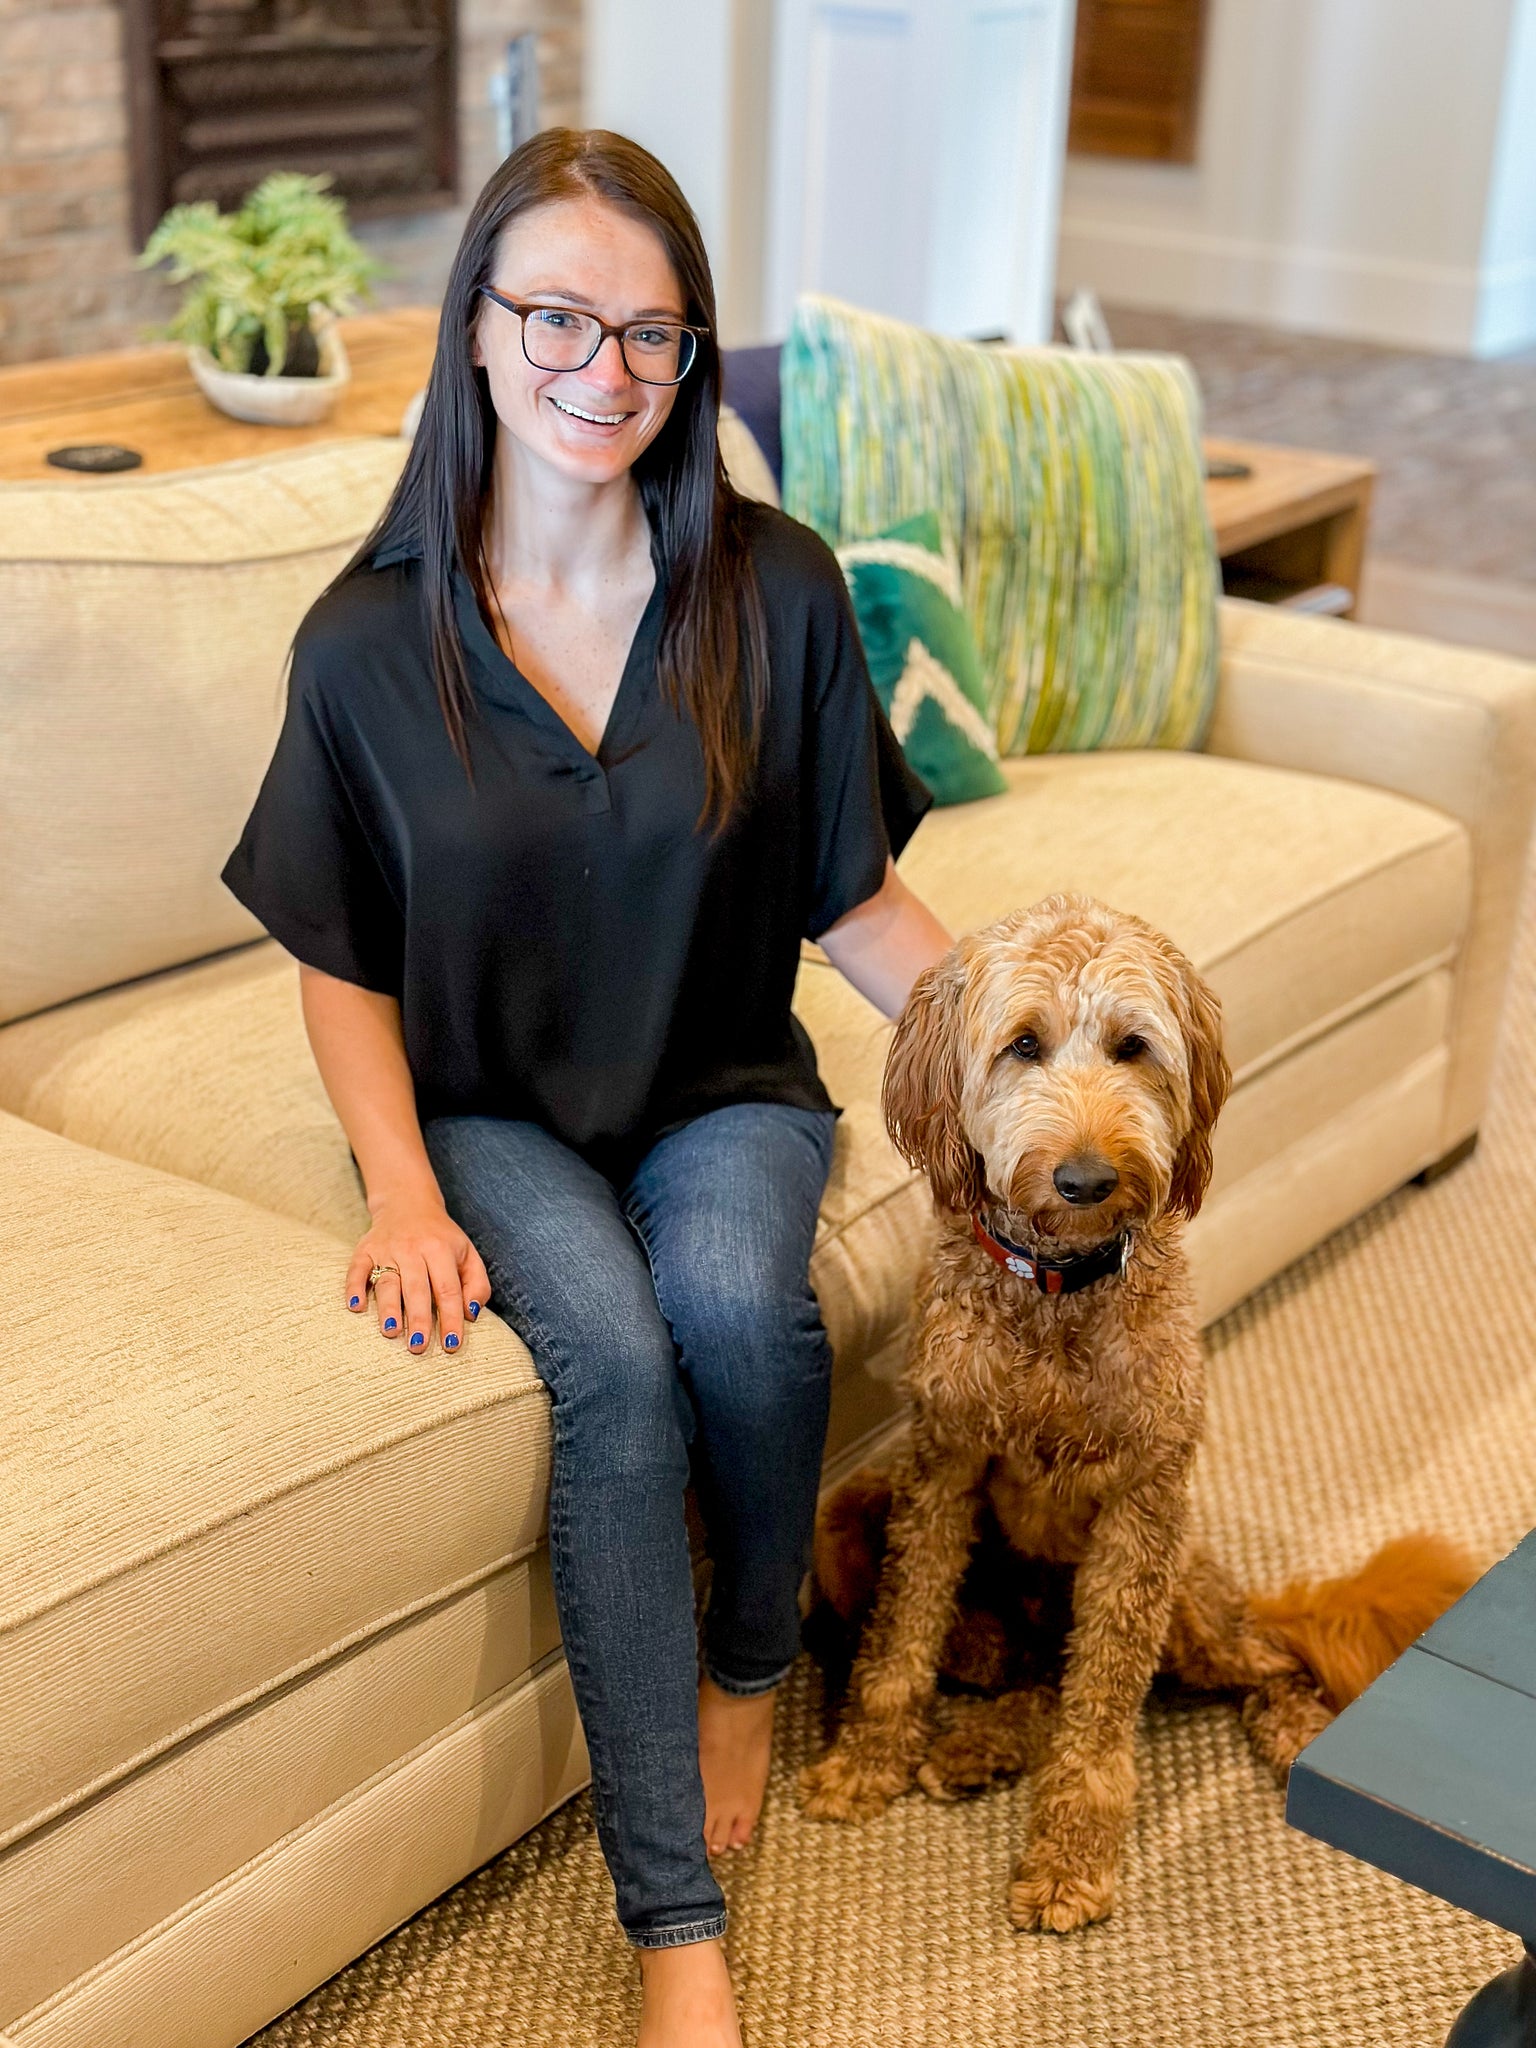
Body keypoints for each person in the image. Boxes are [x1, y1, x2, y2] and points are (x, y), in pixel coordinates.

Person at [222, 127, 953, 2048]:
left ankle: (745, 1658)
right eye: (555, 316)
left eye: (651, 333)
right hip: (488, 1112)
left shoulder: (774, 592)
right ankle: (675, 1938)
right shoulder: (365, 645)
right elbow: (338, 961)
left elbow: (857, 902)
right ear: (473, 329)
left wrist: (1016, 1075)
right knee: (616, 1375)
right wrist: (398, 1187)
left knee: (737, 1306)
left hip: (724, 1081)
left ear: (693, 360)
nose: (600, 372)